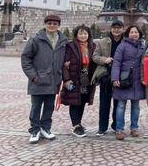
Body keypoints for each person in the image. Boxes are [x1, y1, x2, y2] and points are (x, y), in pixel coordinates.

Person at [21, 14, 68, 144]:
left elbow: (65, 58)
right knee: (36, 106)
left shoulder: (63, 41)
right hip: (38, 80)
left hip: (54, 80)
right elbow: (26, 59)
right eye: (49, 23)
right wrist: (33, 76)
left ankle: (45, 128)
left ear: (58, 25)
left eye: (55, 23)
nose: (52, 26)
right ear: (45, 24)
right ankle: (35, 130)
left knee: (49, 106)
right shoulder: (36, 40)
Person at [61, 25, 97, 138]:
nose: (83, 36)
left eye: (85, 33)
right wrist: (66, 79)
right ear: (76, 35)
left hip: (86, 79)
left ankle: (78, 123)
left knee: (81, 101)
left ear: (88, 35)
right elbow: (64, 64)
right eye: (80, 33)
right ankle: (76, 126)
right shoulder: (70, 46)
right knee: (74, 102)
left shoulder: (92, 46)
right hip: (74, 78)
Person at [111, 25, 146, 140]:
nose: (134, 34)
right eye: (131, 32)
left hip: (137, 80)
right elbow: (116, 63)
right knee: (121, 106)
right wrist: (115, 78)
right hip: (124, 79)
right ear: (127, 34)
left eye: (136, 32)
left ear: (139, 34)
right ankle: (119, 129)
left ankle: (134, 128)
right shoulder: (122, 46)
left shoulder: (143, 46)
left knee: (136, 106)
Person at [92, 19, 124, 136]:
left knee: (119, 103)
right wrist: (105, 60)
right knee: (104, 102)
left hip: (120, 75)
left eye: (119, 27)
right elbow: (95, 56)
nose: (116, 30)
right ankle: (102, 127)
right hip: (106, 75)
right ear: (111, 29)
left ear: (122, 29)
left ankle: (116, 125)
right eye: (114, 27)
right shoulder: (102, 42)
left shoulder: (125, 42)